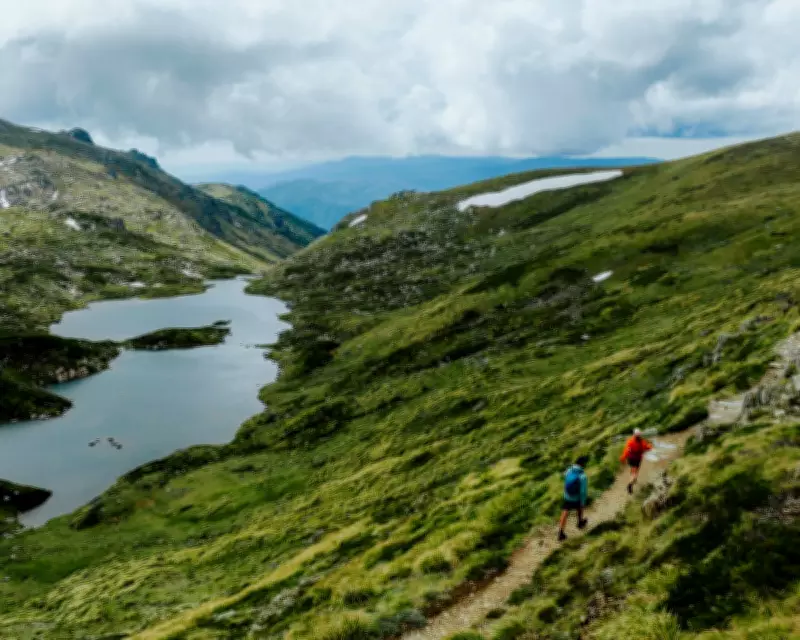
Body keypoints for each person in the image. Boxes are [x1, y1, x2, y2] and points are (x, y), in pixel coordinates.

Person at [558, 455, 589, 542]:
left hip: (567, 496)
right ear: (583, 465)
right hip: (576, 498)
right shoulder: (583, 476)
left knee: (565, 512)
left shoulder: (569, 470)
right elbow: (583, 492)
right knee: (580, 507)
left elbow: (564, 476)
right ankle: (580, 522)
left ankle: (561, 533)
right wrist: (583, 502)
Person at [620, 428, 653, 494]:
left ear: (634, 434)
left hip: (630, 458)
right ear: (640, 435)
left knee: (632, 469)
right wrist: (650, 445)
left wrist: (623, 458)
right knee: (635, 472)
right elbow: (648, 447)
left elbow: (627, 450)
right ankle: (630, 483)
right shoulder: (642, 442)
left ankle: (633, 479)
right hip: (637, 459)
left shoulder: (630, 441)